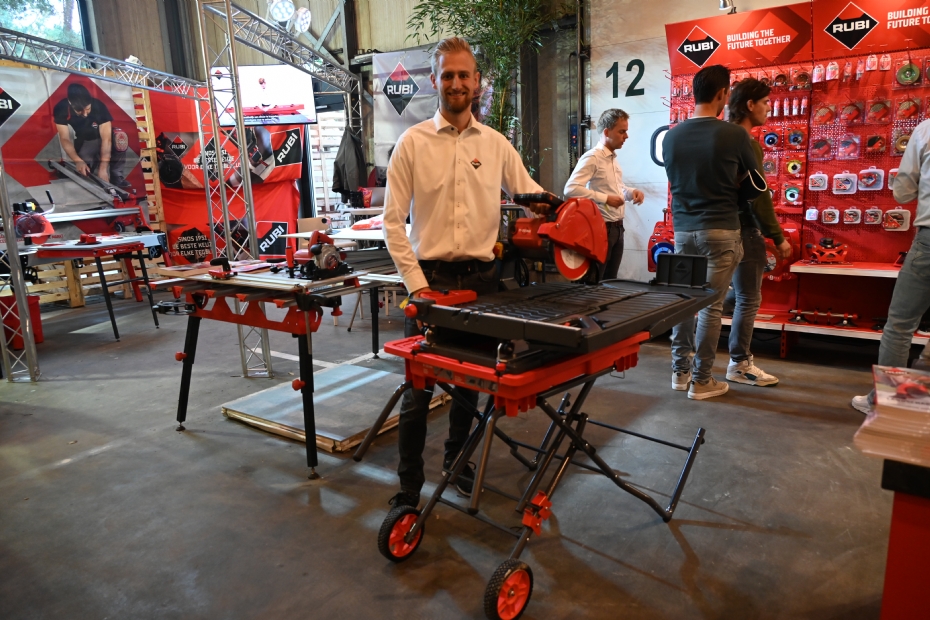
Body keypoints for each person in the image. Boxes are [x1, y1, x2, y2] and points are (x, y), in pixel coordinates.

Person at [382, 37, 550, 508]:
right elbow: (392, 223)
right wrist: (418, 288)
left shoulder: (495, 145)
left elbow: (528, 192)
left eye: (464, 75)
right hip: (429, 285)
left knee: (470, 388)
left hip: (481, 284)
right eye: (448, 75)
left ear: (477, 83)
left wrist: (573, 208)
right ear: (434, 81)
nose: (456, 83)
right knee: (417, 393)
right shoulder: (411, 144)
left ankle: (457, 464)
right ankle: (408, 491)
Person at [662, 64, 759, 400]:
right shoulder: (734, 135)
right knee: (711, 306)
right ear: (723, 94)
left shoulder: (671, 135)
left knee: (684, 304)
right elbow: (756, 184)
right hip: (721, 229)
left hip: (683, 230)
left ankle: (680, 373)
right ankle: (703, 381)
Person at [852, 116, 930, 413]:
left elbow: (903, 191)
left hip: (929, 238)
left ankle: (886, 404)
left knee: (900, 326)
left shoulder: (925, 130)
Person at [725, 79, 792, 386]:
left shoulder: (719, 136)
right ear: (749, 105)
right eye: (765, 101)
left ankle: (691, 370)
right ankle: (740, 363)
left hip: (715, 226)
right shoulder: (746, 141)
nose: (769, 107)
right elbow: (758, 195)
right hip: (744, 229)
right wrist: (777, 236)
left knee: (716, 299)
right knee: (748, 298)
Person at [563, 108, 644, 281]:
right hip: (601, 230)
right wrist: (605, 199)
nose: (626, 136)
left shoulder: (612, 158)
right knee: (594, 283)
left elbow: (617, 188)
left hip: (617, 229)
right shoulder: (592, 157)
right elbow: (570, 189)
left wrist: (631, 193)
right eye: (622, 131)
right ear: (607, 132)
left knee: (610, 283)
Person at [53, 83, 129, 188]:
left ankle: (117, 176)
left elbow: (106, 139)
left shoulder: (98, 105)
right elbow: (65, 139)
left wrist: (103, 168)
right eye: (79, 110)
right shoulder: (61, 108)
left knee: (120, 136)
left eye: (88, 109)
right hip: (85, 140)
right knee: (85, 173)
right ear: (70, 103)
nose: (85, 114)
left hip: (105, 139)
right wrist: (78, 161)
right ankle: (91, 166)